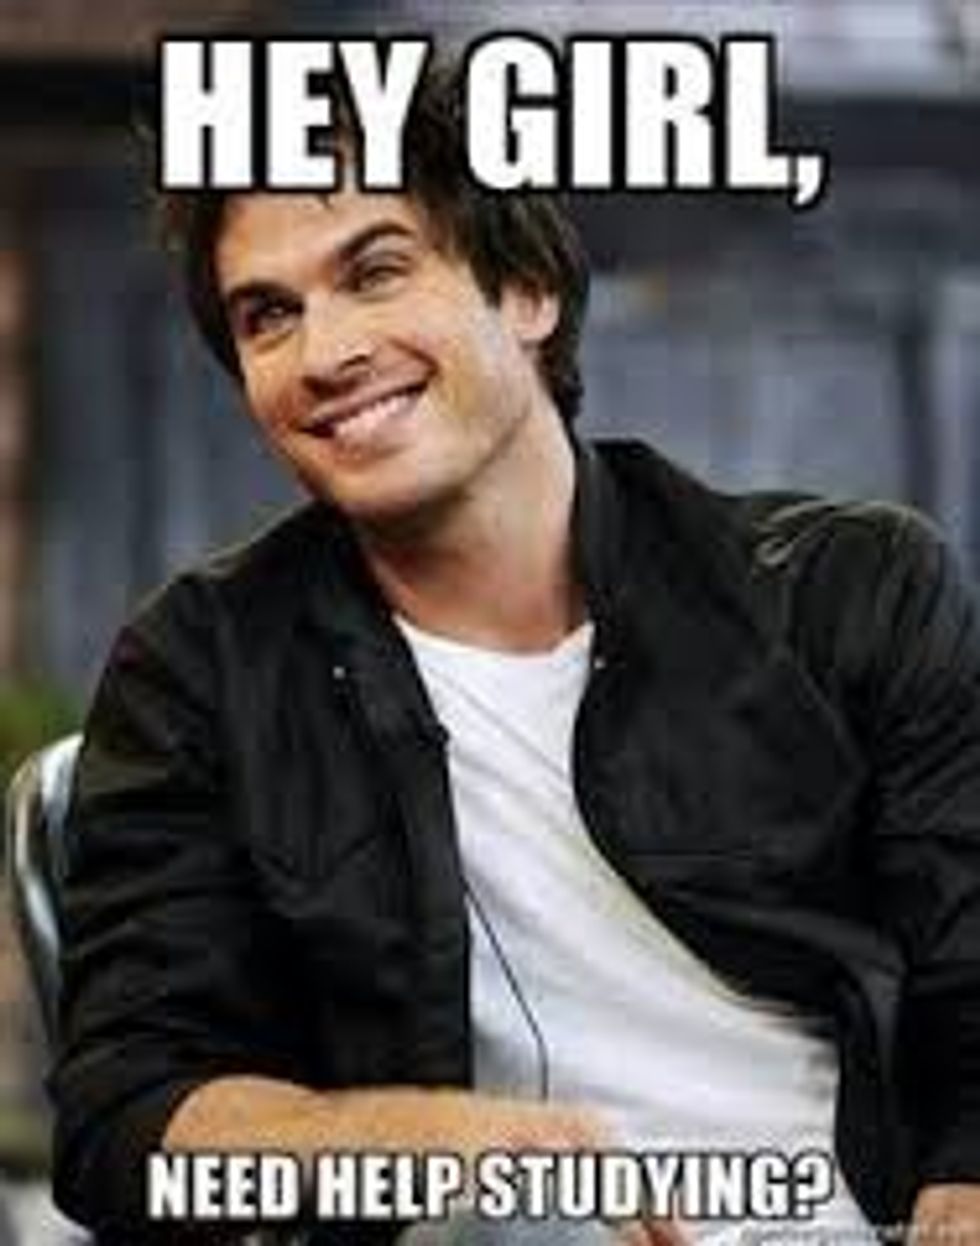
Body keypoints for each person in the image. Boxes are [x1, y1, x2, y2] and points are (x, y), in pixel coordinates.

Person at [51, 59, 980, 1246]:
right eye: (267, 314)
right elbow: (126, 1124)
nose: (323, 351)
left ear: (528, 287)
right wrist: (435, 1144)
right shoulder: (199, 672)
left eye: (374, 271)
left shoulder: (848, 591)